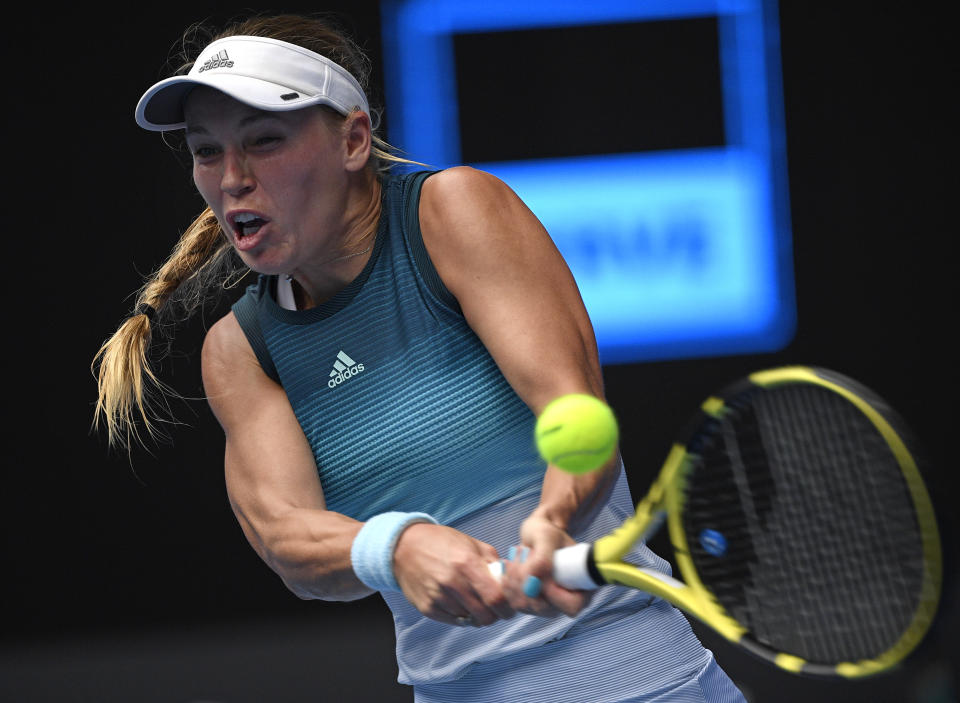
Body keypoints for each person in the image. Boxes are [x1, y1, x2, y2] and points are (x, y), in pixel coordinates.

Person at [93, 13, 747, 703]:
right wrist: (395, 546)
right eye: (207, 152)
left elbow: (575, 415)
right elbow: (286, 535)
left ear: (352, 138)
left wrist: (554, 517)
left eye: (264, 142)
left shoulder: (455, 212)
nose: (231, 180)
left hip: (645, 684)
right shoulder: (240, 349)